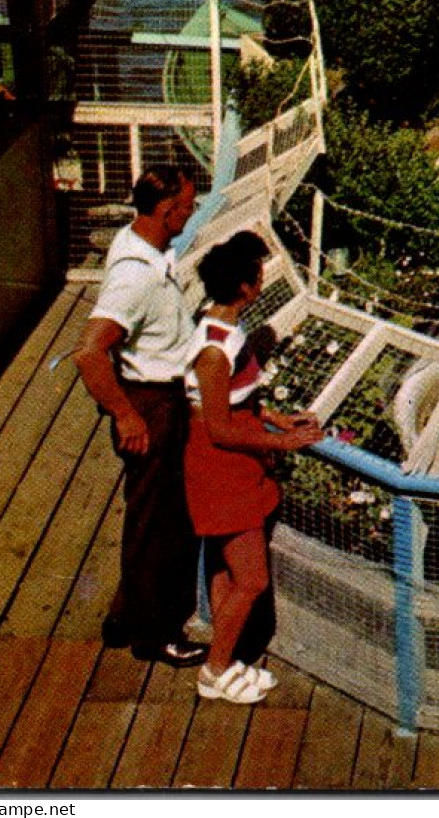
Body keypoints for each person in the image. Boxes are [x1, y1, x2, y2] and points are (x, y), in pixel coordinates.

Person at [73, 165, 207, 667]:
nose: (192, 212)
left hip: (158, 397)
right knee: (163, 523)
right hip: (152, 405)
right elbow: (89, 352)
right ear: (168, 211)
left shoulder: (144, 247)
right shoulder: (135, 276)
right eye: (189, 206)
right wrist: (126, 415)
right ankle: (156, 635)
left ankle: (126, 614)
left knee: (146, 516)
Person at [185, 231, 323, 703]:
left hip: (236, 466)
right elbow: (220, 428)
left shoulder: (225, 329)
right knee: (252, 580)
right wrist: (284, 442)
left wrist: (276, 417)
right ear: (244, 287)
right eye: (258, 276)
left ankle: (228, 659)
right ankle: (214, 672)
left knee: (226, 572)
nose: (262, 281)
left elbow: (241, 402)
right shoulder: (211, 351)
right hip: (221, 470)